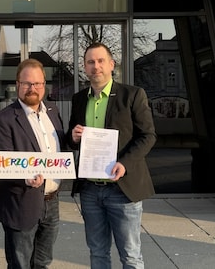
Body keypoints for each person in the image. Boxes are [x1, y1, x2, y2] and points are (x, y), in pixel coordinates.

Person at [67, 42, 157, 269]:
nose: (95, 66)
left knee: (130, 255)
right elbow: (71, 138)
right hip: (90, 190)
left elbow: (148, 136)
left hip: (122, 188)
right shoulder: (79, 99)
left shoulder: (132, 95)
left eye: (100, 61)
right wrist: (73, 137)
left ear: (111, 64)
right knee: (97, 253)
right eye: (90, 62)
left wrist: (124, 163)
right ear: (85, 68)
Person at [0, 58, 66, 269]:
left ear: (44, 86)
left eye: (38, 84)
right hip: (20, 202)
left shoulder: (52, 111)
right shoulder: (4, 120)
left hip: (52, 202)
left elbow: (59, 148)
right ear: (18, 85)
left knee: (43, 262)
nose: (32, 88)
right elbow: (2, 162)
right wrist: (26, 176)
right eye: (27, 84)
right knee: (20, 264)